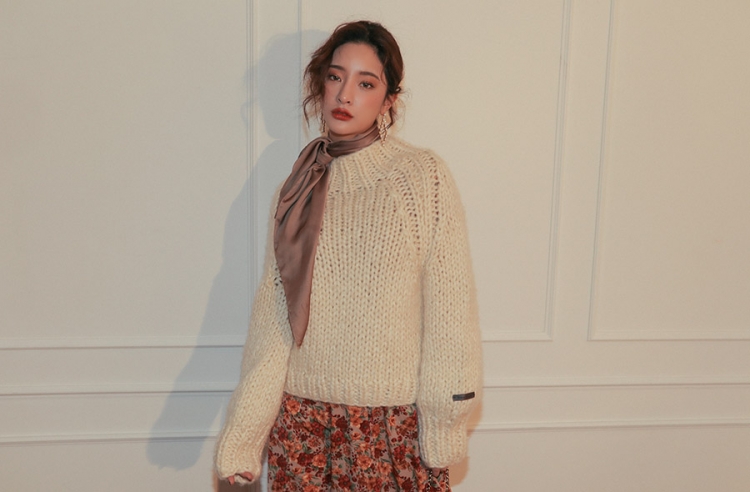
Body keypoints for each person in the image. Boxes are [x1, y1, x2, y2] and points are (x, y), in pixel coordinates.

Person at [214, 20, 482, 491]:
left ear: (390, 100)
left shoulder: (422, 177)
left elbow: (450, 311)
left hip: (391, 431)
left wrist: (445, 423)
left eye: (365, 83)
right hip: (303, 429)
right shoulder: (297, 188)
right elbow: (274, 318)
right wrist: (244, 434)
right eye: (335, 77)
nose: (344, 94)